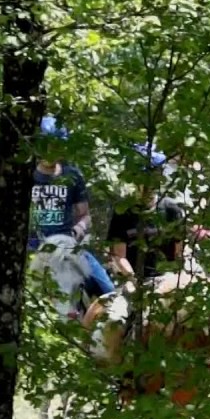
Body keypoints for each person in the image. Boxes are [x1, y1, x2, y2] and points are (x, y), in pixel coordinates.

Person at [29, 115, 116, 307]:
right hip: (34, 247)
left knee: (109, 290)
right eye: (48, 144)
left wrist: (78, 229)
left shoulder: (72, 175)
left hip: (67, 245)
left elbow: (85, 215)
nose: (53, 150)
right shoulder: (27, 175)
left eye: (58, 145)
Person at [107, 143, 187, 290]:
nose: (148, 184)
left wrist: (180, 276)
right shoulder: (122, 211)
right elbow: (119, 256)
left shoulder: (171, 210)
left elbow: (179, 253)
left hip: (166, 280)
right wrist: (133, 279)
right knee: (115, 312)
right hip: (133, 281)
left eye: (154, 176)